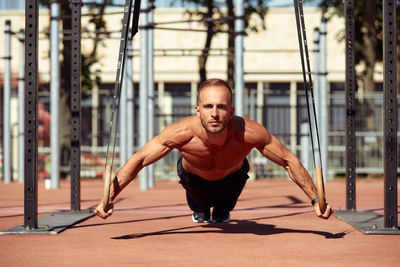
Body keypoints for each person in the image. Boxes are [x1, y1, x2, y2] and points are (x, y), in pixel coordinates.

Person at [95, 78, 333, 222]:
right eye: (208, 106)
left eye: (221, 107)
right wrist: (108, 199)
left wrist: (315, 198)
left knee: (222, 212)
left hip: (233, 178)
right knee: (200, 207)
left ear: (231, 110)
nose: (215, 113)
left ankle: (220, 209)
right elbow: (139, 160)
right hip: (194, 178)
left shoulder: (249, 132)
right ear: (197, 109)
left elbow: (288, 160)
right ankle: (198, 207)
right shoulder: (180, 132)